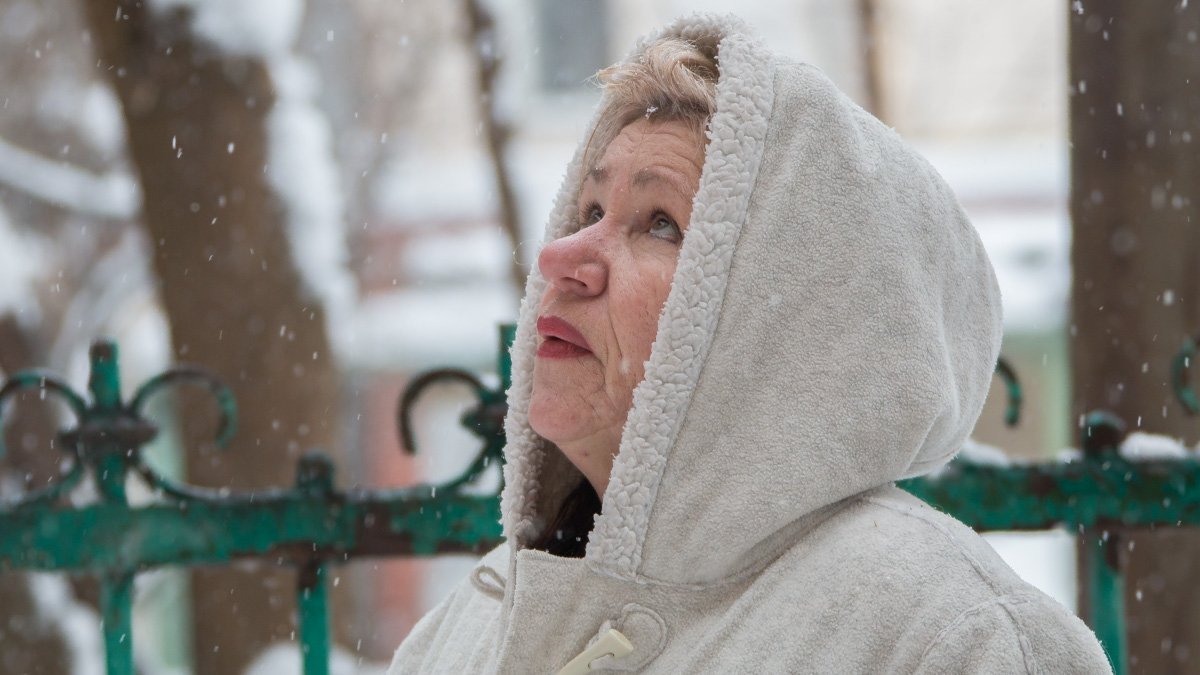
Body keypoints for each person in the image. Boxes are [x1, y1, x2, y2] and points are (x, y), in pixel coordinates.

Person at [389, 14, 1111, 674]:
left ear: (784, 317)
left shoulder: (950, 638)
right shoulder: (467, 629)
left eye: (659, 222)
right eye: (592, 208)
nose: (562, 258)